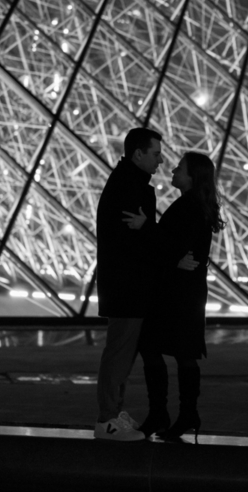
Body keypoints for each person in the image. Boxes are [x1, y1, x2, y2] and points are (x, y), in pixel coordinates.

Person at [137, 152, 224, 442]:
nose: (173, 170)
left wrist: (146, 227)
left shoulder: (189, 206)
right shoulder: (196, 205)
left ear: (192, 176)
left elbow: (173, 243)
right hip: (186, 291)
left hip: (176, 292)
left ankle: (163, 413)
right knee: (181, 354)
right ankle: (185, 414)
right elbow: (178, 246)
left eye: (180, 168)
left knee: (152, 347)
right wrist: (175, 256)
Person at [92, 127, 167, 442]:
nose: (160, 161)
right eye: (155, 154)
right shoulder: (131, 187)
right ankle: (107, 420)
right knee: (119, 353)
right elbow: (132, 242)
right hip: (128, 286)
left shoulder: (125, 182)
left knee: (121, 353)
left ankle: (113, 414)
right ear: (138, 153)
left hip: (125, 284)